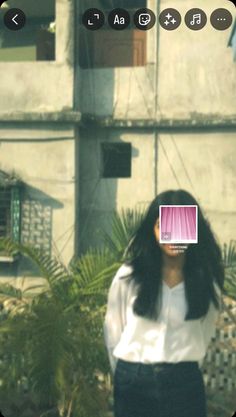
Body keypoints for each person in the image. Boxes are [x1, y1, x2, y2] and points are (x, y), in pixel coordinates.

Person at [103, 189, 224, 417]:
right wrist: (127, 374)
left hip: (185, 385)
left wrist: (181, 370)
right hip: (133, 384)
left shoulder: (206, 283)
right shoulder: (129, 276)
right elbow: (113, 331)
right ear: (154, 229)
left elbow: (205, 332)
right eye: (164, 225)